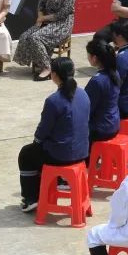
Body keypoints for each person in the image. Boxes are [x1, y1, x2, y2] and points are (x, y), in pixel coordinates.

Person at [18, 57, 89, 212]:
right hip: (82, 152)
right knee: (37, 152)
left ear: (54, 75)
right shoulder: (84, 94)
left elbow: (43, 131)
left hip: (61, 155)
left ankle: (31, 198)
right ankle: (59, 181)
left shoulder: (54, 100)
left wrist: (36, 142)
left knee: (27, 154)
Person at [13, 0, 76, 81]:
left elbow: (62, 14)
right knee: (26, 36)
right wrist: (40, 17)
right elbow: (41, 4)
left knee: (36, 38)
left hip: (62, 24)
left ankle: (47, 68)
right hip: (45, 20)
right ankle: (40, 63)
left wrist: (43, 18)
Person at [84, 39, 121, 144]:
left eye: (88, 55)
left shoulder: (97, 81)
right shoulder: (115, 73)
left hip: (101, 128)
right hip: (114, 123)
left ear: (94, 58)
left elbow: (87, 109)